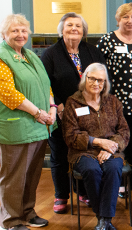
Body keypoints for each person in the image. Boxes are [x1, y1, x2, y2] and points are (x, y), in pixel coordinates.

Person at [0, 14, 55, 230]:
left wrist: (52, 108)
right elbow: (9, 95)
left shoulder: (30, 56)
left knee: (31, 174)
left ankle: (27, 212)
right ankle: (9, 220)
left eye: (24, 31)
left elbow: (46, 85)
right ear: (4, 34)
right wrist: (39, 113)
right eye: (15, 31)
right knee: (13, 176)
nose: (20, 35)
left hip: (36, 126)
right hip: (12, 128)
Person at [41, 12, 106, 214]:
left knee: (84, 152)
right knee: (60, 155)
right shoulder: (50, 54)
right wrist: (58, 106)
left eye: (78, 26)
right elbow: (45, 85)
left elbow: (102, 78)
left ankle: (84, 191)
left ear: (84, 30)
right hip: (60, 113)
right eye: (69, 25)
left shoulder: (92, 52)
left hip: (87, 115)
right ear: (62, 29)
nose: (74, 29)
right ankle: (61, 195)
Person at [62, 63, 130, 230]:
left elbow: (124, 130)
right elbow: (70, 135)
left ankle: (102, 222)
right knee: (91, 170)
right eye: (92, 78)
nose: (96, 83)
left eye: (100, 80)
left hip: (111, 151)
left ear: (105, 83)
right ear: (85, 78)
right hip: (82, 151)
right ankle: (106, 221)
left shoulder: (113, 101)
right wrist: (98, 142)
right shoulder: (72, 102)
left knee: (114, 167)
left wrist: (112, 146)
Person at [97, 2, 132, 196]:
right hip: (116, 99)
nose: (130, 21)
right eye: (125, 17)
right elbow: (100, 70)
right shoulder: (107, 40)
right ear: (118, 19)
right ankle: (120, 179)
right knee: (120, 137)